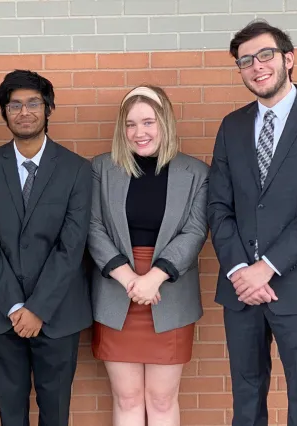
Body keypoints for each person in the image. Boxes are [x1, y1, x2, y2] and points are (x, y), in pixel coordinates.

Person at [208, 20, 297, 426]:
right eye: (245, 60)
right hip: (240, 288)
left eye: (265, 55)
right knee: (246, 398)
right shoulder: (232, 126)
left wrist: (268, 266)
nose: (256, 66)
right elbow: (218, 206)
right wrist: (241, 269)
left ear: (288, 59)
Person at [0, 69, 92, 426]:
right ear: (4, 112)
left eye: (33, 103)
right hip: (1, 314)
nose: (25, 112)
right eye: (15, 105)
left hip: (58, 314)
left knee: (55, 414)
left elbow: (72, 245)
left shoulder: (76, 169)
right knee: (11, 415)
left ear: (48, 108)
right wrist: (15, 305)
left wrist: (37, 308)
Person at [88, 85, 209, 426]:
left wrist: (154, 277)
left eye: (148, 122)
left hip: (168, 292)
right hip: (117, 292)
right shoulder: (101, 169)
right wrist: (129, 279)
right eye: (130, 124)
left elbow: (195, 231)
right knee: (126, 399)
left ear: (165, 122)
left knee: (161, 399)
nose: (139, 132)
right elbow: (92, 228)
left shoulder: (196, 173)